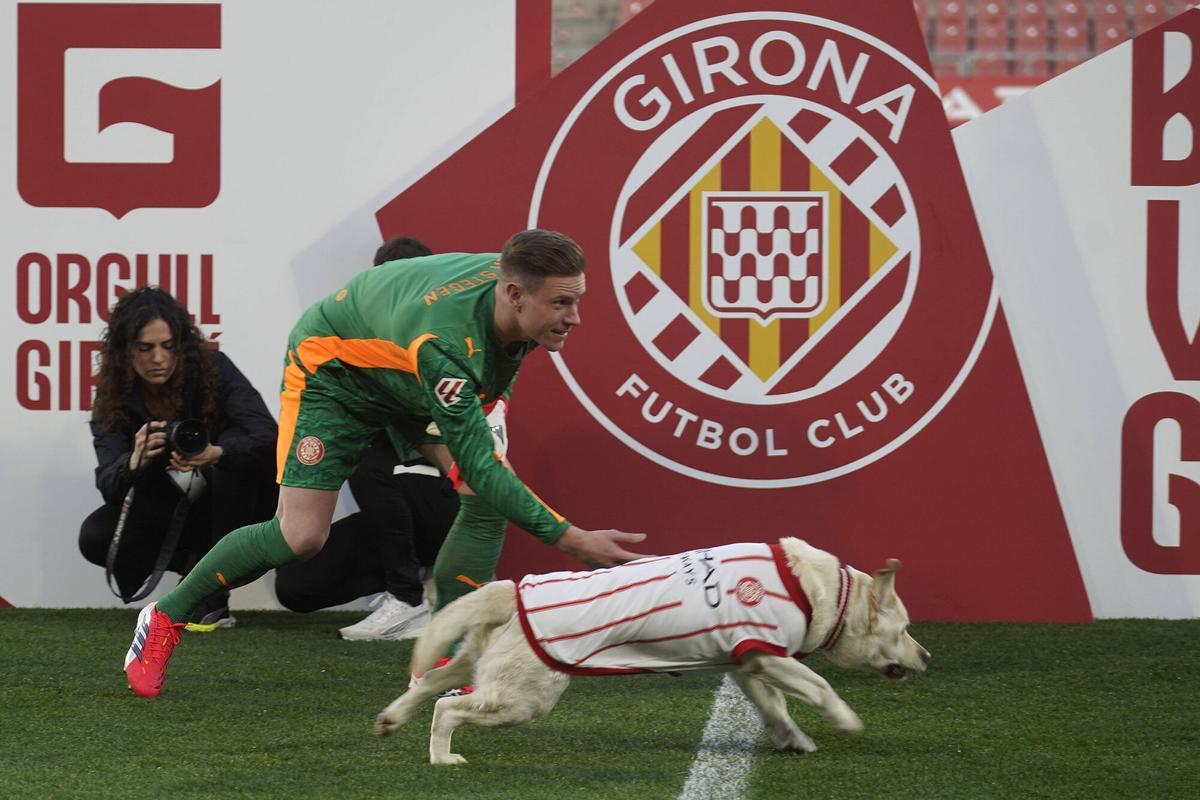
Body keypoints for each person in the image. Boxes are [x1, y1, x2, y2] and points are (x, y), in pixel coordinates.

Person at [123, 229, 649, 697]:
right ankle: (164, 616)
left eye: (576, 300)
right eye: (562, 304)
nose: (575, 317)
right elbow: (484, 456)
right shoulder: (445, 344)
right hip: (336, 371)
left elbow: (492, 401)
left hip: (406, 367)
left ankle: (438, 657)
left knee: (482, 495)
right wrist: (571, 538)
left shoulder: (517, 284)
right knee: (301, 537)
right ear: (514, 294)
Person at [274, 236, 459, 641]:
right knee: (294, 584)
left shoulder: (446, 341)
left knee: (370, 462)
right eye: (382, 286)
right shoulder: (356, 339)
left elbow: (455, 443)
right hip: (394, 502)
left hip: (445, 496)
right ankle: (414, 580)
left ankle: (408, 598)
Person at [82, 287, 278, 630]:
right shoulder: (114, 396)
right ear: (124, 350)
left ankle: (212, 594)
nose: (158, 358)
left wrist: (215, 452)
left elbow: (267, 435)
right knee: (96, 534)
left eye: (168, 346)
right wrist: (134, 460)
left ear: (181, 344)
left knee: (235, 451)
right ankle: (195, 569)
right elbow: (108, 485)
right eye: (145, 348)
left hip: (237, 504)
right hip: (174, 511)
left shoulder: (212, 368)